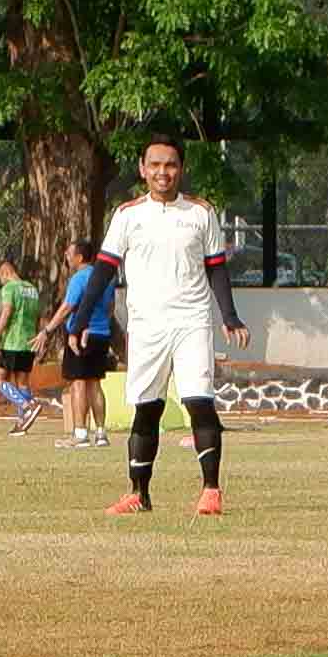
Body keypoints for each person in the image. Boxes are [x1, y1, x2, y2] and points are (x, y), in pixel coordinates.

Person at [101, 141, 241, 519]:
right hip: (147, 325)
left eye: (171, 165)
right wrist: (78, 320)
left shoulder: (200, 212)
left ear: (181, 168)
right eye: (155, 165)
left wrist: (229, 316)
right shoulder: (127, 215)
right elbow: (104, 268)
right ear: (142, 168)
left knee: (199, 400)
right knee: (147, 408)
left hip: (192, 320)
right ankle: (138, 495)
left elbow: (216, 268)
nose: (163, 172)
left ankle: (211, 490)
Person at [45, 242, 123, 446]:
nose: (66, 257)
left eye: (69, 254)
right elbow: (110, 307)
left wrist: (47, 331)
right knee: (95, 383)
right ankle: (101, 433)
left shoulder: (79, 278)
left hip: (80, 336)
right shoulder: (106, 278)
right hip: (101, 334)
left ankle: (80, 434)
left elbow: (67, 307)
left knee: (78, 383)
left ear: (80, 257)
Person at [0, 259, 45, 434]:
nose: (1, 282)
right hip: (29, 342)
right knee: (22, 382)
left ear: (5, 272)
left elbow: (6, 311)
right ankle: (22, 423)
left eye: (0, 278)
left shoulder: (10, 288)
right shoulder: (32, 289)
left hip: (11, 341)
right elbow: (37, 316)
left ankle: (28, 406)